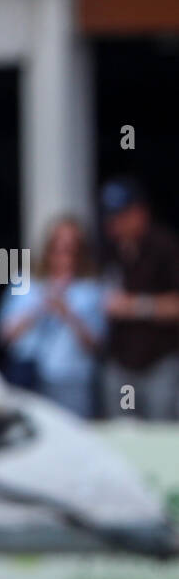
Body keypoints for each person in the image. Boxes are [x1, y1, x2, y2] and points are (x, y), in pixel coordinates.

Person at [0, 216, 104, 418]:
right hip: (28, 376)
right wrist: (39, 308)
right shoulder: (26, 281)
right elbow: (5, 335)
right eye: (57, 247)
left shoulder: (91, 287)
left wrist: (69, 314)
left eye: (71, 249)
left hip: (71, 380)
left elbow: (96, 344)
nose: (63, 256)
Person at [98, 178, 179, 419]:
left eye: (121, 215)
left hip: (159, 363)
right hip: (120, 363)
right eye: (110, 216)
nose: (115, 223)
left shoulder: (165, 246)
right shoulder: (107, 251)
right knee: (124, 437)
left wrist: (136, 306)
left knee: (161, 437)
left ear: (140, 212)